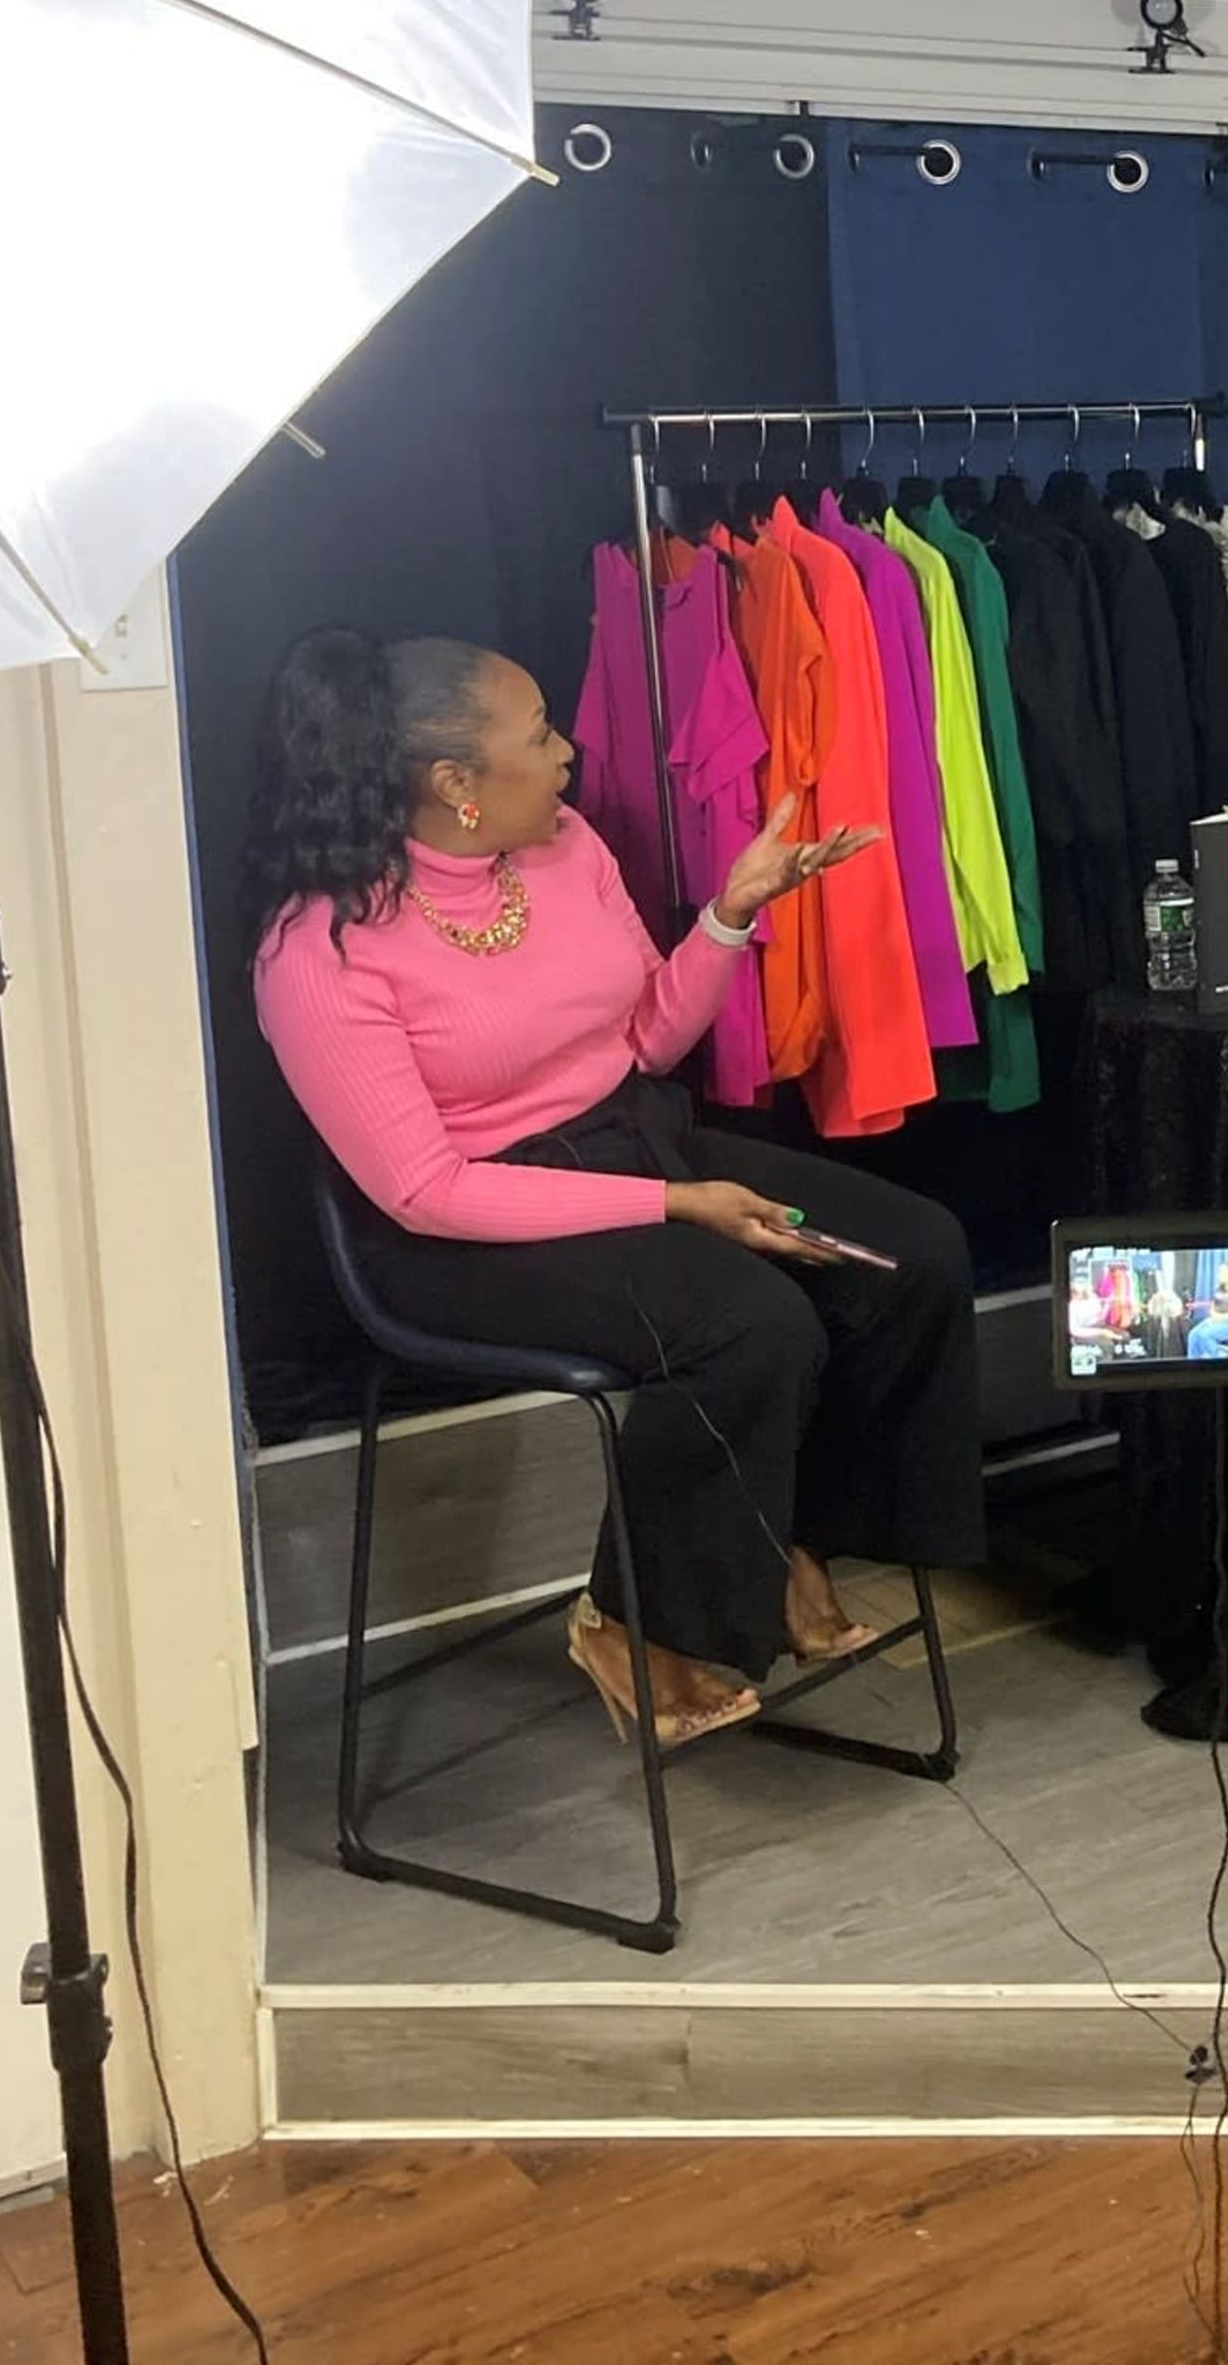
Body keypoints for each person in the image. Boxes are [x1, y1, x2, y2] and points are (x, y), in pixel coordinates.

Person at [248, 629, 986, 1753]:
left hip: (635, 1144)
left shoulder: (568, 846)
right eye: (538, 735)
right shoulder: (320, 953)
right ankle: (635, 1623)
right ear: (453, 784)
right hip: (464, 1234)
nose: (568, 753)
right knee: (752, 1323)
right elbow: (425, 1190)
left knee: (913, 1251)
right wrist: (681, 1208)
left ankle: (787, 1536)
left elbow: (645, 1035)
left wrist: (731, 914)